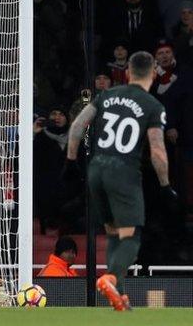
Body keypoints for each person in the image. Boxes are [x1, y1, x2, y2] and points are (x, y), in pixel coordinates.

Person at [64, 51, 177, 311]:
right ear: (151, 74)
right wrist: (165, 185)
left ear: (127, 73)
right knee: (133, 235)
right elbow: (158, 150)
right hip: (123, 173)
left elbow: (79, 124)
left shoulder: (106, 95)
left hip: (96, 171)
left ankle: (120, 297)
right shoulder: (152, 105)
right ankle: (111, 278)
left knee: (114, 232)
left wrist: (70, 161)